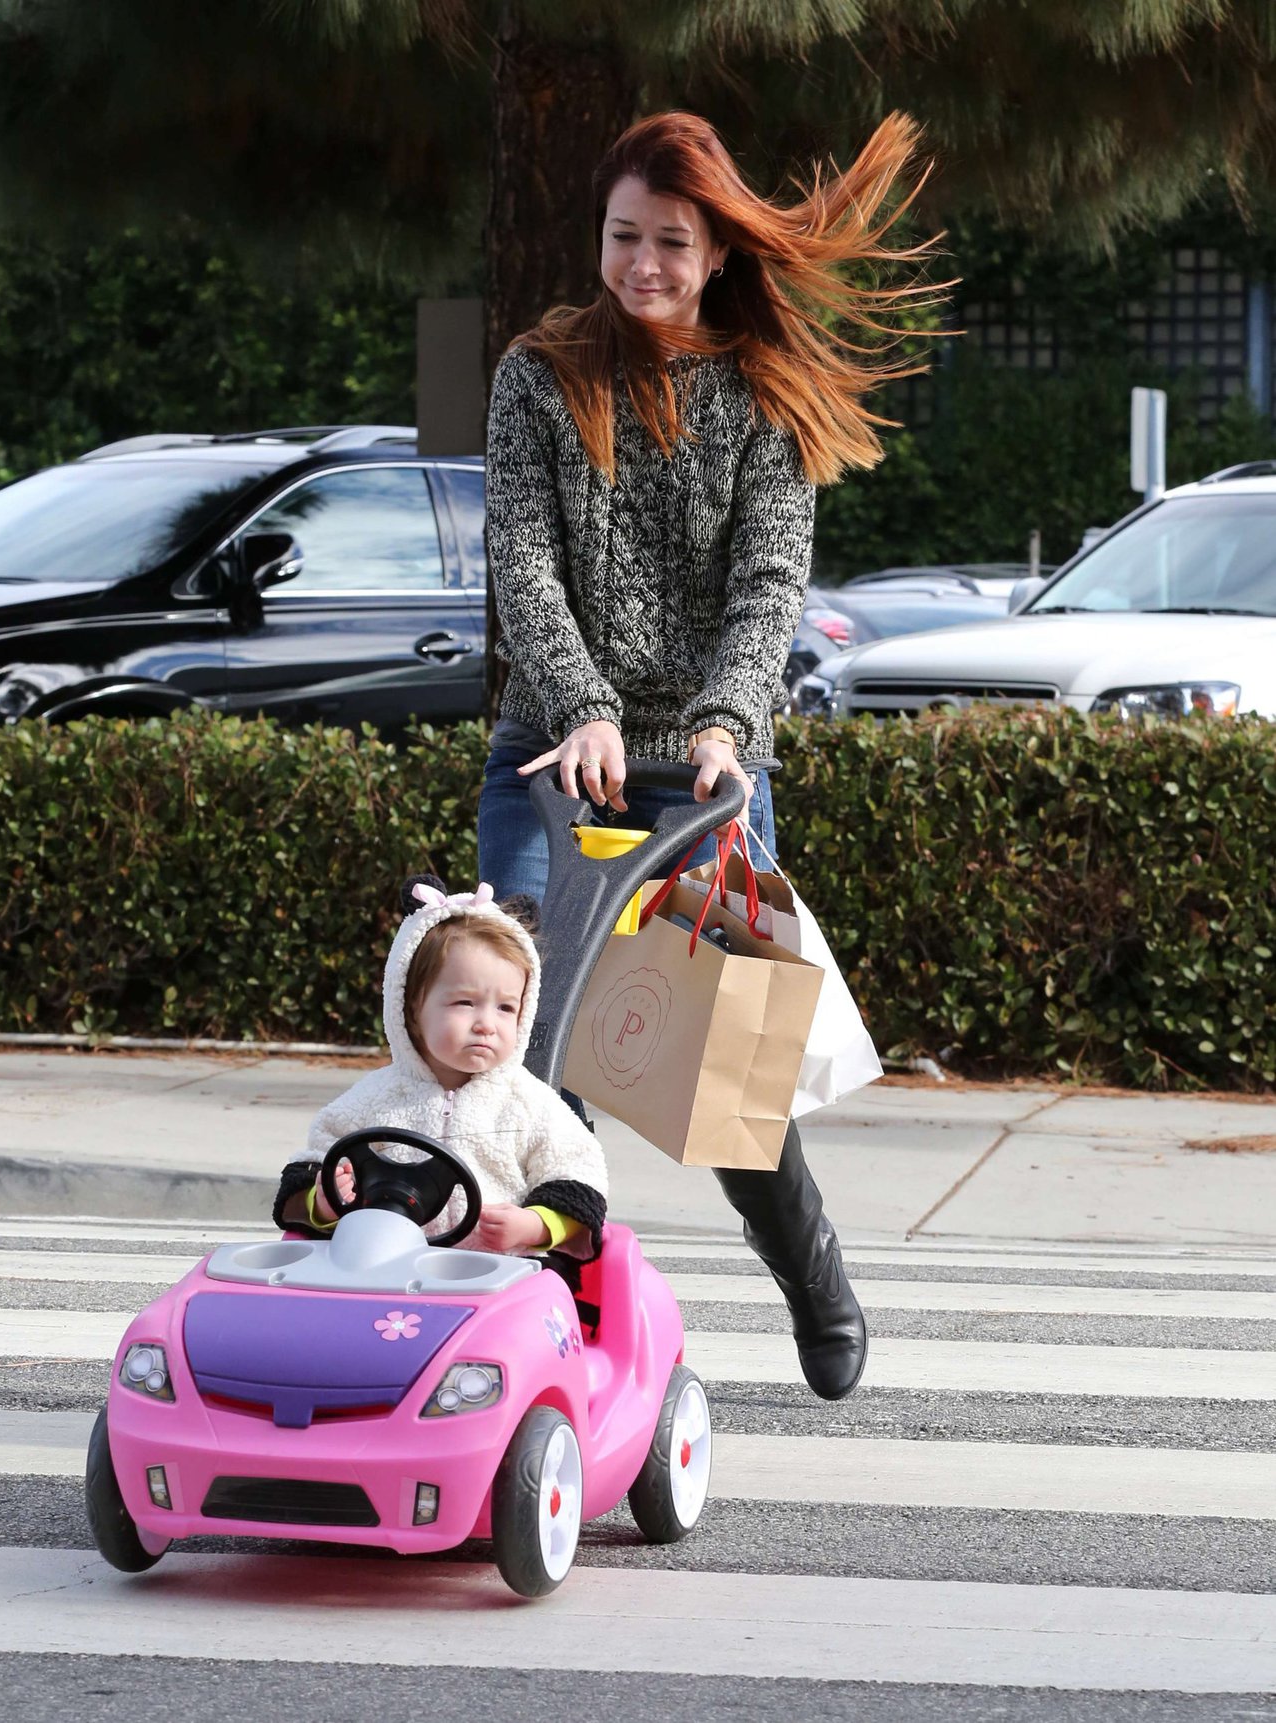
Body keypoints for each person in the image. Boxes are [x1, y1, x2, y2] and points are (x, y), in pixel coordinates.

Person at [478, 109, 943, 1400]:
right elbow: (520, 559)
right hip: (551, 756)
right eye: (623, 237)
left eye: (670, 243)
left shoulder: (762, 393)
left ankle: (811, 1268)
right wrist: (575, 702)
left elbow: (768, 585)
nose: (642, 265)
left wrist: (725, 726)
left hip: (707, 763)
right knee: (527, 1051)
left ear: (715, 249)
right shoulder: (537, 373)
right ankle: (545, 1340)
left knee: (720, 1068)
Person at [274, 877, 608, 1260]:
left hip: (499, 1280)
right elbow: (311, 1165)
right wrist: (326, 1199)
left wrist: (534, 1225)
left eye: (505, 1008)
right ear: (412, 1009)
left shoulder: (531, 1103)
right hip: (384, 1272)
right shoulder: (377, 1098)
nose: (486, 1023)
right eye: (465, 1002)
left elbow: (579, 1175)